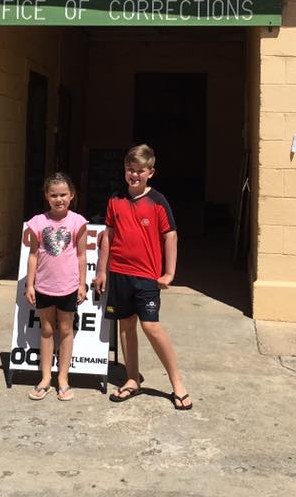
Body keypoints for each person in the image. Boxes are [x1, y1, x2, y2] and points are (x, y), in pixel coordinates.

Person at [94, 144, 192, 410]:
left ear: (151, 172)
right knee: (126, 326)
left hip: (146, 276)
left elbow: (170, 235)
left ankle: (177, 385)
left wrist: (169, 272)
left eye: (140, 171)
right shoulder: (115, 199)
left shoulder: (157, 201)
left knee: (151, 327)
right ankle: (131, 379)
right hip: (119, 273)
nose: (134, 175)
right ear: (124, 170)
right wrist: (102, 270)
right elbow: (108, 236)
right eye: (130, 169)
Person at [24, 172, 88, 402]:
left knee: (66, 330)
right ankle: (45, 378)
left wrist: (82, 284)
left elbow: (82, 255)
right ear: (46, 197)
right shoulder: (38, 222)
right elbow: (33, 255)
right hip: (43, 287)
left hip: (68, 287)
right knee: (47, 330)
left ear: (71, 195)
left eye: (63, 194)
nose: (59, 199)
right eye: (54, 195)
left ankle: (63, 378)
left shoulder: (78, 222)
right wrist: (29, 284)